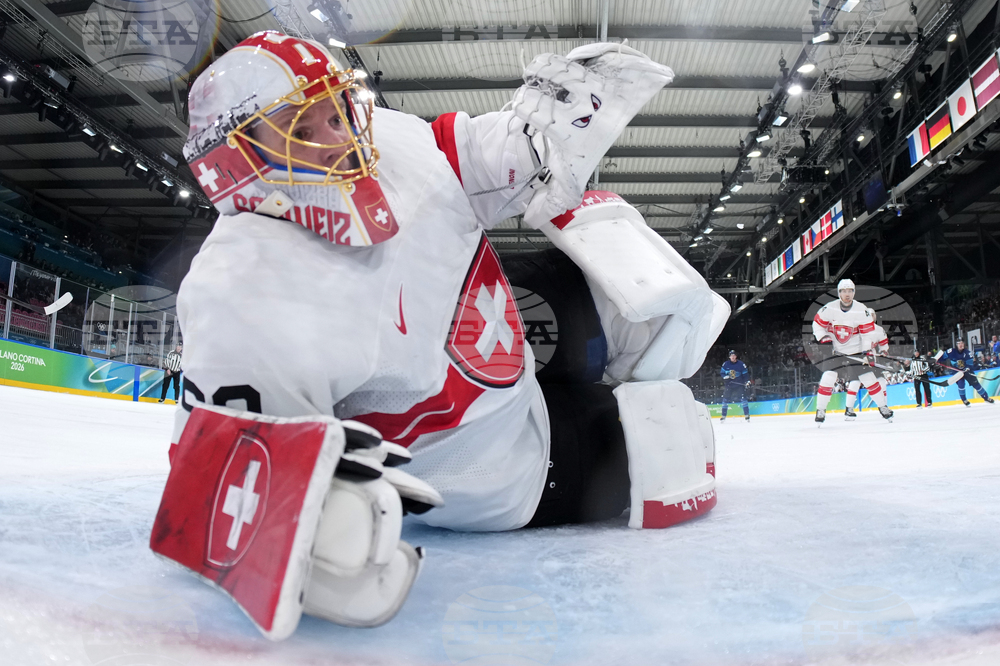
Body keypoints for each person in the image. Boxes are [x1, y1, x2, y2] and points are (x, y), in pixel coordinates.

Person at [149, 32, 729, 640]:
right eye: (299, 126)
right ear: (235, 161)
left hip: (502, 341)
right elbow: (220, 481)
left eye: (336, 109)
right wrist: (318, 523)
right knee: (668, 437)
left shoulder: (385, 138)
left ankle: (630, 365)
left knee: (625, 269)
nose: (339, 137)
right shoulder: (242, 292)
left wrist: (541, 134)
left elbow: (477, 160)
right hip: (499, 466)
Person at [811, 279, 893, 423]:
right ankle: (821, 410)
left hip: (856, 350)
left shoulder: (861, 309)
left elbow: (867, 333)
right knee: (829, 376)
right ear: (839, 293)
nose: (847, 294)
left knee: (868, 378)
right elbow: (817, 324)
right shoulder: (829, 308)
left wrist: (867, 351)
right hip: (835, 350)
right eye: (844, 291)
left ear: (854, 292)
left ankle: (882, 406)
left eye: (850, 291)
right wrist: (823, 338)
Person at [935, 340, 995, 406]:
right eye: (959, 343)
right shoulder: (951, 351)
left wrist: (967, 368)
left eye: (962, 343)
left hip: (967, 371)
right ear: (956, 344)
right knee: (961, 384)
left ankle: (986, 398)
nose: (961, 345)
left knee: (976, 384)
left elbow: (970, 364)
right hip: (957, 371)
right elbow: (943, 357)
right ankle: (964, 400)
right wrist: (936, 360)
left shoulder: (968, 353)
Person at [719, 350, 750, 422]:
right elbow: (722, 373)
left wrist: (747, 381)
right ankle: (723, 416)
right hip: (729, 385)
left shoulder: (741, 364)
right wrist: (725, 377)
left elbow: (745, 374)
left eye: (734, 355)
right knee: (725, 400)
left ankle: (747, 415)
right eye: (731, 356)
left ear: (736, 356)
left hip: (739, 385)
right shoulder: (725, 364)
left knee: (743, 399)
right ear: (729, 357)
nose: (732, 357)